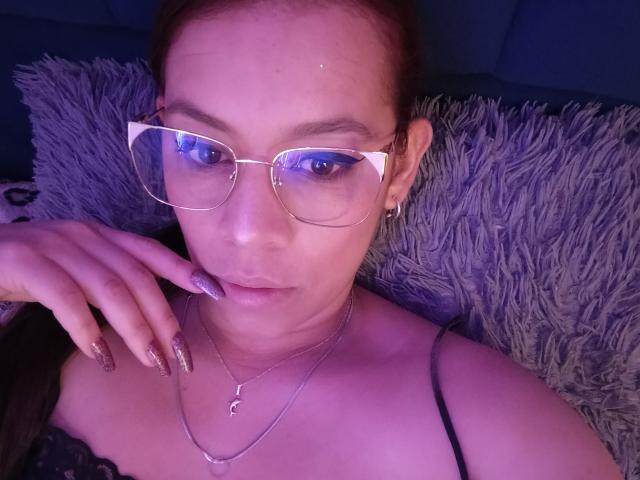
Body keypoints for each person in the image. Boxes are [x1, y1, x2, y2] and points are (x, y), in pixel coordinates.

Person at [0, 0, 625, 479]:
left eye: (322, 164)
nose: (249, 232)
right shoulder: (53, 322)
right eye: (201, 149)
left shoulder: (508, 441)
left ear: (401, 168)